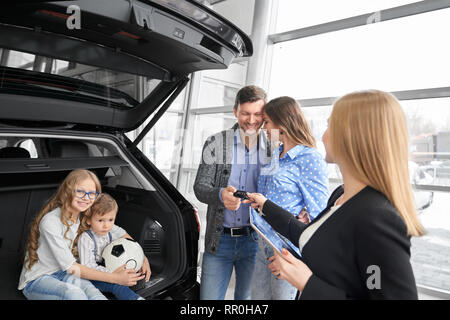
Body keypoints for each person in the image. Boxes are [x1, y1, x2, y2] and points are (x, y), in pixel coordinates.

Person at [246, 90, 424, 299]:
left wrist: (307, 282)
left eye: (330, 125)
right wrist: (265, 205)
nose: (323, 135)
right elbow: (308, 234)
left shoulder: (378, 218)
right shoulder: (341, 196)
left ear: (353, 136)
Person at [193, 85, 271, 300]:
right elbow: (200, 187)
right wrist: (220, 195)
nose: (252, 120)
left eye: (258, 114)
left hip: (255, 241)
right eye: (246, 113)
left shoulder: (273, 148)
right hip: (220, 242)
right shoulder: (216, 143)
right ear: (235, 111)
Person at [18, 169, 146, 300]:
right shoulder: (51, 222)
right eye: (80, 191)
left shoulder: (83, 214)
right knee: (74, 294)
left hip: (64, 274)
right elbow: (71, 267)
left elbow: (118, 231)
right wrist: (115, 278)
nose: (86, 197)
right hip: (38, 280)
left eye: (92, 193)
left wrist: (142, 257)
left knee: (93, 292)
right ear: (68, 191)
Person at [251, 96, 329, 300]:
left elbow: (321, 215)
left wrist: (296, 256)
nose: (263, 127)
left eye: (266, 121)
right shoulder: (275, 154)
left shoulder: (310, 159)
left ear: (282, 122)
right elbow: (267, 195)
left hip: (286, 249)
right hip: (263, 241)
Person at [77, 193, 150, 300]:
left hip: (109, 267)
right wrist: (115, 275)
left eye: (110, 220)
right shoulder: (86, 239)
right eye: (100, 220)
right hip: (92, 276)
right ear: (88, 220)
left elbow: (132, 243)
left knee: (137, 277)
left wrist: (143, 259)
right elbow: (88, 267)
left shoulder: (111, 229)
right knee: (117, 286)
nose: (106, 225)